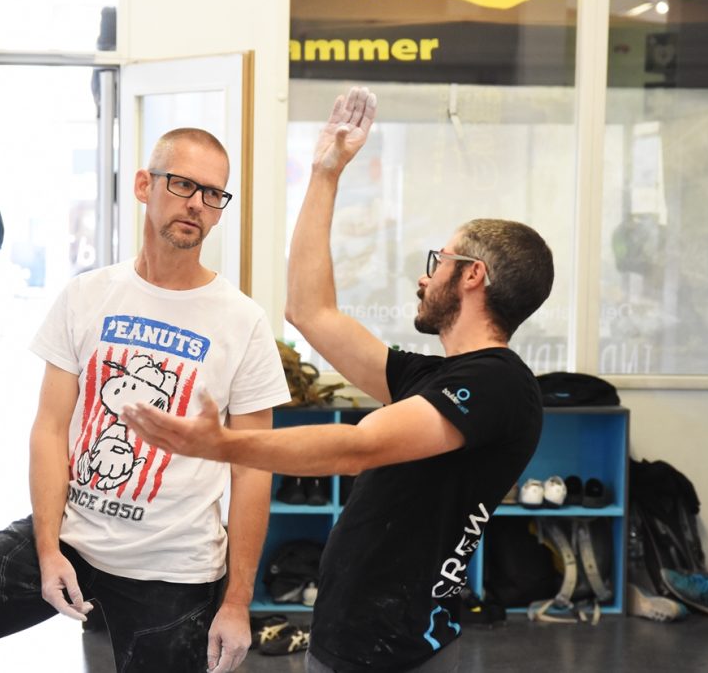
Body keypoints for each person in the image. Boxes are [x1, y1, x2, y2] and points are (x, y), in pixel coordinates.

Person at [122, 88, 556, 673]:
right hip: (352, 635)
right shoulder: (436, 376)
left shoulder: (500, 386)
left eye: (439, 261)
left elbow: (357, 447)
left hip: (395, 653)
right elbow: (310, 311)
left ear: (473, 276)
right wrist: (326, 172)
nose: (424, 279)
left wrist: (220, 443)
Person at [0, 128, 292, 673]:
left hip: (175, 569)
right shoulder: (87, 295)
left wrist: (236, 602)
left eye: (213, 194)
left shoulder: (243, 322)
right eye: (183, 183)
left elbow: (253, 469)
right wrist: (46, 550)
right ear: (144, 184)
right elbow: (49, 428)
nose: (196, 204)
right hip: (71, 536)